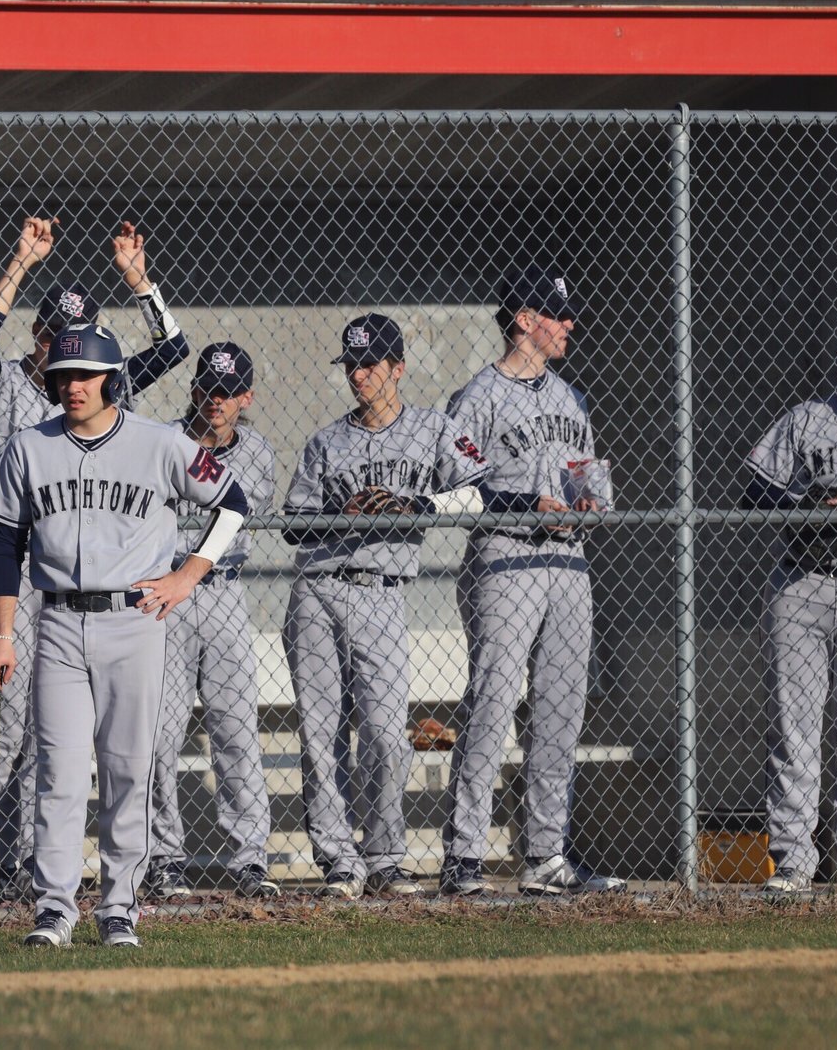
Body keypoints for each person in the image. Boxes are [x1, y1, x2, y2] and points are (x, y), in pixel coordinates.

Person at [0, 322, 248, 948]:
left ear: (110, 380)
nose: (72, 386)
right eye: (62, 375)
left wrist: (187, 575)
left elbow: (233, 503)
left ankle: (119, 908)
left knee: (128, 769)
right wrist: (3, 634)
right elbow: (4, 545)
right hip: (57, 623)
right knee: (59, 773)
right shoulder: (28, 447)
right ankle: (54, 909)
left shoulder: (161, 442)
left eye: (85, 375)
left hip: (135, 622)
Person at [0, 216, 190, 898]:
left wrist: (139, 282)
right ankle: (4, 861)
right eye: (52, 334)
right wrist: (20, 262)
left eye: (78, 333)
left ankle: (45, 868)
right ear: (38, 335)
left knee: (59, 737)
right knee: (11, 724)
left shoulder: (103, 385)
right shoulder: (4, 381)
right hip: (13, 571)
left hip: (84, 577)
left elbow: (174, 347)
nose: (63, 346)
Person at [283, 315, 492, 898]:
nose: (359, 375)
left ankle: (383, 857)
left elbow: (481, 491)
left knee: (383, 733)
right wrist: (340, 514)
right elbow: (294, 525)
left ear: (398, 368)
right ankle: (339, 861)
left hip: (382, 591)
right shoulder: (326, 441)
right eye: (351, 365)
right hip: (319, 589)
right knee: (321, 733)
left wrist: (416, 505)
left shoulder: (432, 429)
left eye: (370, 364)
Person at [440, 268, 626, 897]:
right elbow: (458, 486)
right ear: (524, 320)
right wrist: (527, 504)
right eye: (556, 313)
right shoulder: (478, 396)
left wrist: (589, 500)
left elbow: (588, 476)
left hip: (569, 561)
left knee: (560, 709)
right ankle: (463, 856)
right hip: (506, 557)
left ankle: (546, 855)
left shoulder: (571, 398)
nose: (569, 323)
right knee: (493, 702)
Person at [747, 321, 837, 895]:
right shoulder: (809, 418)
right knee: (793, 727)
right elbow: (755, 487)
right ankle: (793, 860)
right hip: (800, 580)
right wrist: (812, 502)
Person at [145, 342, 279, 900]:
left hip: (224, 591)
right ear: (194, 388)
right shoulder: (164, 441)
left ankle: (250, 860)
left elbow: (242, 520)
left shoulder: (258, 452)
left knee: (236, 730)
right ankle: (163, 858)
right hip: (166, 594)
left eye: (227, 393)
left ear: (246, 397)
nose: (215, 401)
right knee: (159, 734)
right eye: (207, 389)